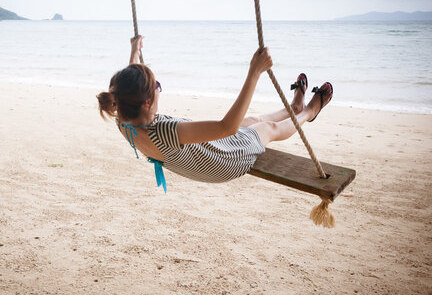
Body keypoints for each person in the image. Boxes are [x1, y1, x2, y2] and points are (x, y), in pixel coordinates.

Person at [96, 35, 333, 192]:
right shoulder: (164, 131)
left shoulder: (123, 119)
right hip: (223, 163)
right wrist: (254, 72)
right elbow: (227, 127)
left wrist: (134, 52)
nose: (159, 89)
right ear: (147, 102)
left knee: (250, 121)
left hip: (205, 158)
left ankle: (292, 109)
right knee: (265, 129)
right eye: (157, 86)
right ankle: (309, 111)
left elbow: (125, 89)